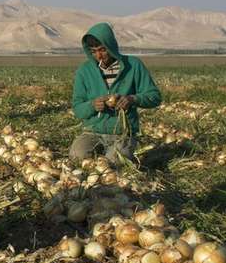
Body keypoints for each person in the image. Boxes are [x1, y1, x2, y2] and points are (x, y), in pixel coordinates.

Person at [69, 23, 161, 164]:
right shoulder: (84, 71)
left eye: (103, 50)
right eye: (94, 51)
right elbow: (77, 108)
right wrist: (92, 105)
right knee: (77, 157)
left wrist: (132, 99)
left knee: (113, 162)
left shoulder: (133, 65)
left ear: (111, 46)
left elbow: (154, 96)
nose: (99, 56)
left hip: (123, 133)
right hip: (93, 131)